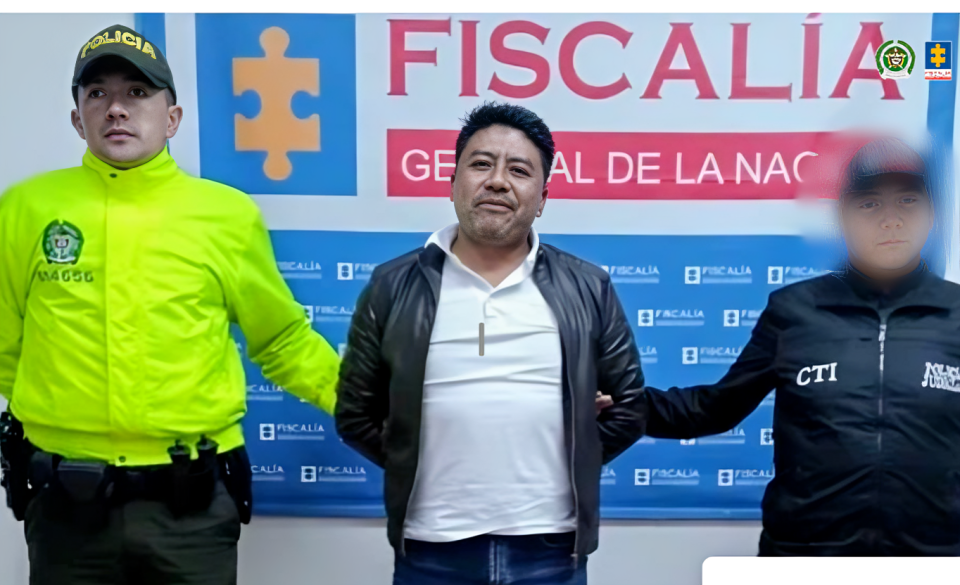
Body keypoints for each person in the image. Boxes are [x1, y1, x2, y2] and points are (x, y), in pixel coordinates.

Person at [0, 24, 341, 584]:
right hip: (67, 507)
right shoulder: (25, 209)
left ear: (173, 118)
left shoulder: (226, 216)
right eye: (97, 93)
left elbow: (281, 339)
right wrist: (66, 414)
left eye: (137, 93)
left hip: (191, 511)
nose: (116, 109)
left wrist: (370, 409)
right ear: (78, 119)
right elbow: (7, 343)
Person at [335, 101, 647, 584]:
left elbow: (629, 409)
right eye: (481, 164)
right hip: (430, 550)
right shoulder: (392, 285)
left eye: (518, 170)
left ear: (542, 198)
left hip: (551, 551)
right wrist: (412, 457)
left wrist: (572, 451)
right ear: (453, 182)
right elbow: (355, 415)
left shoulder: (588, 286)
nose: (498, 181)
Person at [642, 137, 960, 556]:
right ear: (843, 218)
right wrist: (616, 404)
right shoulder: (794, 309)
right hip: (805, 553)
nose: (890, 221)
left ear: (931, 215)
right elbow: (712, 409)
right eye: (869, 204)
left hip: (934, 557)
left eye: (907, 201)